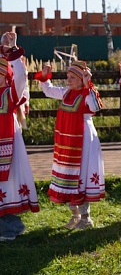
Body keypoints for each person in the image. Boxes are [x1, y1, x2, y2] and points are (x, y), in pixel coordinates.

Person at [34, 60, 104, 230]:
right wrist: (44, 77)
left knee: (82, 175)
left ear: (81, 79)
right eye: (68, 77)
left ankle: (86, 218)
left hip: (83, 142)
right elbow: (49, 91)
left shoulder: (87, 95)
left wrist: (89, 84)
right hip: (66, 143)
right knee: (68, 176)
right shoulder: (66, 93)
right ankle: (75, 215)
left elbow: (96, 106)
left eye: (73, 77)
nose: (69, 80)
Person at [0, 31, 39, 241]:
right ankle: (9, 226)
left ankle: (10, 228)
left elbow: (21, 77)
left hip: (7, 143)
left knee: (7, 182)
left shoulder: (9, 94)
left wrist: (13, 51)